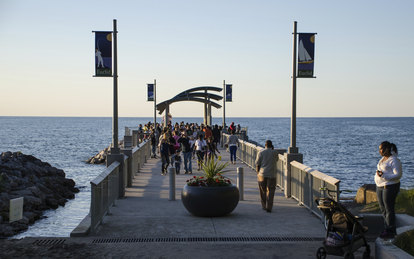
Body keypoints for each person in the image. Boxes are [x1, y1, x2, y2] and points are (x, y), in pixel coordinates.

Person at [375, 141, 402, 239]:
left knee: (389, 209)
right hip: (380, 186)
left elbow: (398, 175)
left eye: (381, 149)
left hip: (390, 187)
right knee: (383, 209)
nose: (380, 151)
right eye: (379, 149)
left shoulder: (394, 160)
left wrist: (384, 176)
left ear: (387, 149)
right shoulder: (383, 159)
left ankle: (391, 231)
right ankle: (386, 228)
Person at [255, 140, 279, 213]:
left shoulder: (261, 152)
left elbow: (257, 163)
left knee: (263, 190)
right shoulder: (275, 152)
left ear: (265, 145)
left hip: (262, 174)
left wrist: (258, 172)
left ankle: (264, 205)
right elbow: (277, 160)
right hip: (272, 174)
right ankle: (269, 207)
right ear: (271, 145)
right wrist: (273, 149)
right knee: (271, 191)